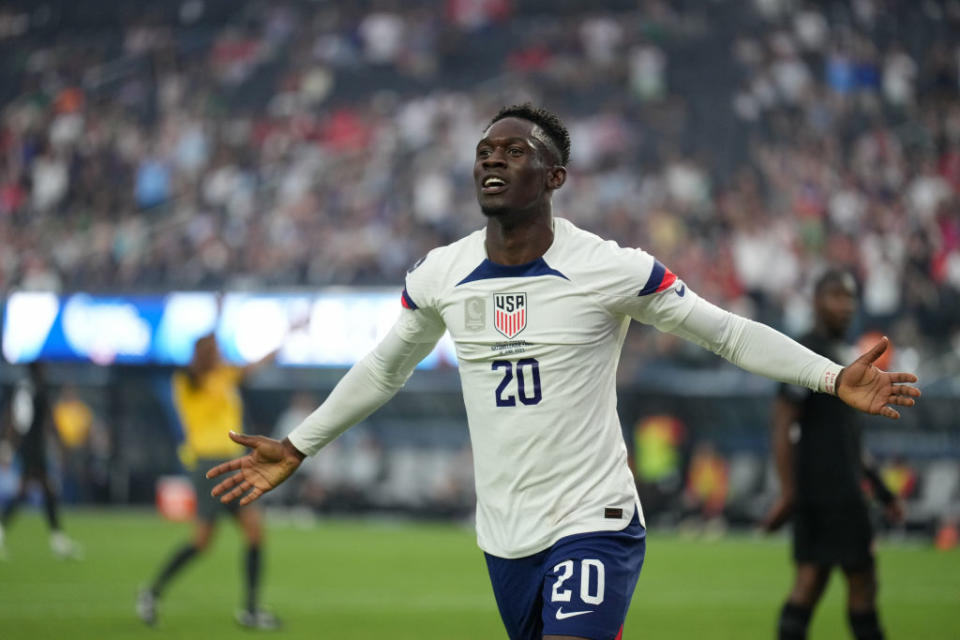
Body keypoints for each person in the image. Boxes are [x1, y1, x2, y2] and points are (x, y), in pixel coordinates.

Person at [207, 104, 920, 640]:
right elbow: (385, 367)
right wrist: (299, 443)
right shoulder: (440, 273)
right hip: (504, 534)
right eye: (485, 150)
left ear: (553, 177)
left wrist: (831, 377)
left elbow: (726, 334)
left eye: (513, 152)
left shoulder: (611, 268)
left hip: (594, 519)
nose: (492, 159)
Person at [762, 270, 905, 640]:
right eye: (836, 297)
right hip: (825, 492)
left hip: (843, 487)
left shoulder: (846, 355)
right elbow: (782, 425)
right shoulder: (803, 353)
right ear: (815, 301)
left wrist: (881, 490)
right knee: (859, 581)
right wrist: (789, 493)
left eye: (850, 297)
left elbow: (850, 439)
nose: (846, 306)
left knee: (812, 581)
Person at [136, 334, 281, 630]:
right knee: (235, 534)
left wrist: (289, 335)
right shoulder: (189, 380)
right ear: (203, 354)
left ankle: (152, 593)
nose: (220, 354)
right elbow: (201, 369)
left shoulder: (222, 375)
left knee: (214, 539)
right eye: (215, 350)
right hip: (210, 463)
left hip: (228, 462)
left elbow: (257, 364)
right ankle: (248, 610)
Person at [0, 361, 82, 560]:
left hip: (29, 448)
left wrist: (9, 445)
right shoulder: (37, 389)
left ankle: (57, 538)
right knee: (36, 490)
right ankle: (57, 539)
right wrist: (60, 444)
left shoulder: (23, 387)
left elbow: (15, 419)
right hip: (33, 449)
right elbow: (37, 421)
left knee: (42, 491)